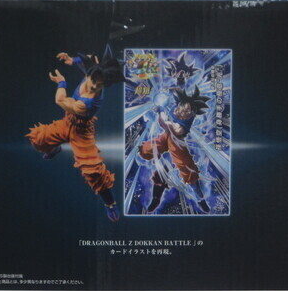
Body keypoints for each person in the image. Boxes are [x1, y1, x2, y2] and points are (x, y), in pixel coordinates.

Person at [26, 52, 124, 222]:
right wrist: (72, 60)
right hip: (67, 122)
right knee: (37, 138)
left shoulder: (88, 103)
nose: (95, 86)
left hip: (82, 132)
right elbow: (89, 59)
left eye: (100, 85)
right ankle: (54, 148)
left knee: (93, 171)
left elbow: (60, 100)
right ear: (89, 74)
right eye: (94, 81)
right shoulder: (93, 71)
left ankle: (110, 203)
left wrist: (62, 82)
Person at [139, 86, 211, 213]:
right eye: (181, 108)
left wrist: (161, 110)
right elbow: (177, 91)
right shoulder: (177, 106)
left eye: (186, 111)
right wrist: (169, 89)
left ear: (191, 113)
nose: (181, 112)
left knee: (188, 171)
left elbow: (167, 125)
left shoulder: (184, 123)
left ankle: (201, 200)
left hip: (176, 141)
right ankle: (156, 198)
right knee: (148, 152)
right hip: (166, 137)